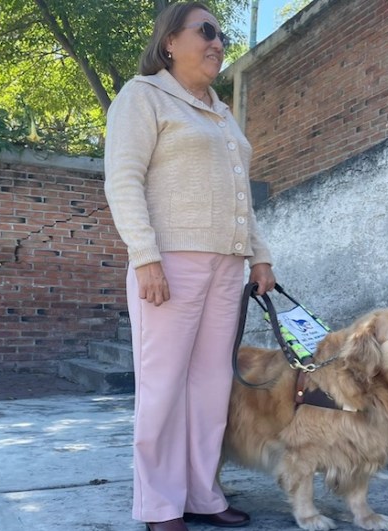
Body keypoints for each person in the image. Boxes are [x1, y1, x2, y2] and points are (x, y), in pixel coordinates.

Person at [103, 2, 276, 530]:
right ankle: (158, 504)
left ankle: (203, 493)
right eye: (205, 31)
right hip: (169, 262)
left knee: (209, 386)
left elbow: (238, 195)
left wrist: (260, 253)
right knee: (162, 385)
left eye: (221, 34)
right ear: (170, 41)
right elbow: (123, 180)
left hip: (227, 264)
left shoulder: (221, 112)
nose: (218, 42)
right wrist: (145, 257)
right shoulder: (143, 96)